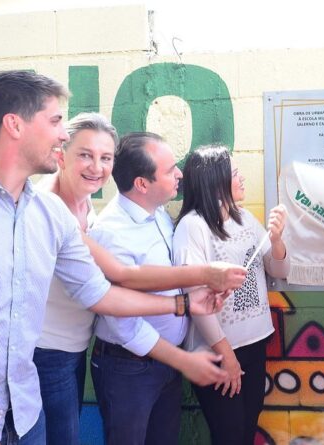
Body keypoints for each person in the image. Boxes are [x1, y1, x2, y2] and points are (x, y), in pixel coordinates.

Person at [0, 70, 227, 445]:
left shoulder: (50, 214)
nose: (63, 134)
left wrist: (183, 304)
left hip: (28, 417)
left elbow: (100, 294)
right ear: (14, 124)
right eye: (54, 121)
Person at [33, 113, 244, 445]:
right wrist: (195, 290)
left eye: (105, 158)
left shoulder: (125, 209)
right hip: (94, 361)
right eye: (85, 155)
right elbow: (118, 290)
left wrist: (191, 302)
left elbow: (127, 278)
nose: (97, 167)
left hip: (131, 357)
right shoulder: (72, 218)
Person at [90, 132, 230, 445]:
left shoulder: (158, 215)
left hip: (164, 365)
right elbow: (123, 324)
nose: (179, 173)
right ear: (142, 184)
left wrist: (196, 299)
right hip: (129, 371)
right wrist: (183, 360)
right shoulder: (111, 234)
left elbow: (164, 284)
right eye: (170, 170)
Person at [173, 145, 290, 445]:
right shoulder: (192, 227)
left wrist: (276, 241)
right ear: (215, 181)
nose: (241, 179)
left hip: (255, 342)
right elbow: (196, 299)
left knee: (246, 429)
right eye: (235, 173)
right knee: (230, 434)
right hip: (218, 353)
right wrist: (227, 356)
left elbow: (279, 270)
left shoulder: (245, 218)